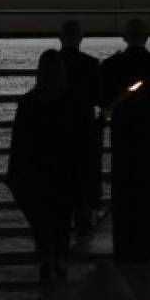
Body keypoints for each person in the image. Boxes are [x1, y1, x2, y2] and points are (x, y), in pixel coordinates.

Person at [101, 19, 150, 262]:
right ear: (147, 37)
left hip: (124, 135)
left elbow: (104, 100)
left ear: (125, 38)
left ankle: (126, 245)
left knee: (125, 189)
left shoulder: (111, 65)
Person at [6, 50, 78, 281]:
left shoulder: (29, 102)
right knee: (62, 219)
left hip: (35, 169)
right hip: (63, 168)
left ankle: (46, 259)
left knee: (41, 221)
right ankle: (60, 259)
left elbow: (19, 139)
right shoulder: (69, 101)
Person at [58, 20, 103, 237]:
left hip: (57, 127)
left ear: (60, 37)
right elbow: (98, 97)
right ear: (80, 38)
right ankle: (83, 220)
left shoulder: (52, 63)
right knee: (82, 177)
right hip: (83, 128)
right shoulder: (90, 63)